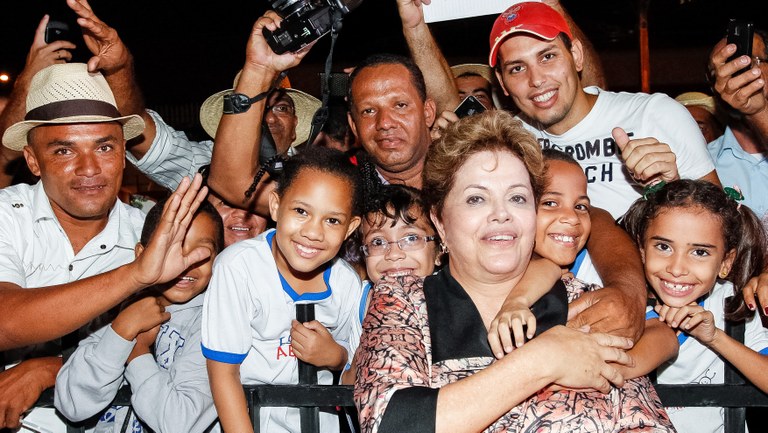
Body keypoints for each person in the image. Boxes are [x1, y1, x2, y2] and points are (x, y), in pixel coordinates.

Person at [355, 110, 636, 433]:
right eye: (476, 199)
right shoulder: (403, 300)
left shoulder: (585, 304)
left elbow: (645, 421)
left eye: (517, 197)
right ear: (440, 222)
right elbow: (391, 425)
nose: (501, 214)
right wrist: (544, 359)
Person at [0, 62, 209, 431]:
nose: (89, 168)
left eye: (105, 147)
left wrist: (52, 369)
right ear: (33, 161)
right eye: (64, 151)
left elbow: (169, 352)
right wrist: (134, 275)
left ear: (124, 154)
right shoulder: (6, 216)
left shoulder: (147, 234)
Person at [203, 147, 362, 433]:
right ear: (276, 206)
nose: (313, 232)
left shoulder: (346, 282)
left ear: (350, 228)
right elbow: (223, 374)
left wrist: (335, 357)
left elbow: (353, 367)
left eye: (332, 220)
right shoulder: (239, 268)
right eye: (301, 211)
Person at [55, 197, 224, 433]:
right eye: (170, 248)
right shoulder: (112, 310)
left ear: (219, 259)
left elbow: (179, 423)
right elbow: (73, 404)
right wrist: (120, 332)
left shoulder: (215, 322)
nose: (185, 263)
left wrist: (137, 353)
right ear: (141, 254)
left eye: (201, 253)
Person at [621, 179, 768, 433]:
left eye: (699, 252)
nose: (677, 269)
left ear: (726, 261)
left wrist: (715, 338)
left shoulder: (734, 305)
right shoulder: (623, 302)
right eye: (663, 247)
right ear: (642, 250)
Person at [707, 29, 768, 220]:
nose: (734, 75)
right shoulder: (704, 163)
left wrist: (759, 112)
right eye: (722, 68)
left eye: (748, 62)